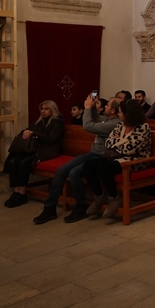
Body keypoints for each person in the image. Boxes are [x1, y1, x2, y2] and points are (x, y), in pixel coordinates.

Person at [33, 95, 120, 224]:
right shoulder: (107, 118)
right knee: (62, 170)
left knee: (74, 173)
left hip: (100, 157)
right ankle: (49, 208)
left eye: (107, 105)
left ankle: (81, 206)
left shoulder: (114, 123)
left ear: (113, 111)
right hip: (92, 153)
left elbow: (88, 126)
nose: (105, 106)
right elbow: (96, 118)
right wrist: (92, 107)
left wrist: (86, 108)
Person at [82, 99, 151, 219]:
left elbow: (130, 149)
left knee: (103, 167)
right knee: (88, 165)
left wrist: (118, 143)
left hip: (134, 161)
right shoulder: (121, 125)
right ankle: (99, 195)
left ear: (128, 114)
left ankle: (114, 198)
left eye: (120, 112)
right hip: (118, 158)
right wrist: (120, 143)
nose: (118, 115)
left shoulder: (143, 127)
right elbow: (109, 142)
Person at [2, 100, 64, 208]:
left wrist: (34, 133)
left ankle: (22, 192)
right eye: (42, 109)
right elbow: (28, 130)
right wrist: (25, 132)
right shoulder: (39, 121)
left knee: (24, 162)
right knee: (13, 160)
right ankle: (15, 191)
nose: (43, 111)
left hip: (49, 150)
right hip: (36, 148)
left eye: (46, 109)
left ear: (52, 110)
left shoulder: (57, 122)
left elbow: (51, 139)